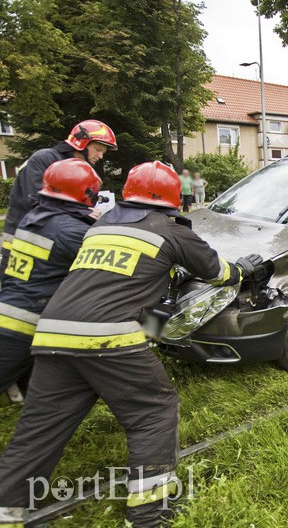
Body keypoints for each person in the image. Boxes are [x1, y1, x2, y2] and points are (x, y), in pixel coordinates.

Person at [0, 161, 263, 527]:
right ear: (174, 200)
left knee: (40, 426)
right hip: (107, 337)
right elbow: (217, 272)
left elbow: (128, 285)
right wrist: (244, 269)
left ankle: (7, 510)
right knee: (153, 410)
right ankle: (148, 513)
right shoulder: (173, 233)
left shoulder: (99, 227)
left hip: (51, 333)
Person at [0, 159, 101, 407]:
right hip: (26, 322)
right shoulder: (70, 230)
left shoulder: (34, 217)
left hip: (9, 309)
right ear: (87, 192)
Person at [1, 120, 116, 282]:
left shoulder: (80, 167)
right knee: (21, 293)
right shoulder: (44, 159)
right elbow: (37, 201)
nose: (101, 156)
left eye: (103, 152)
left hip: (55, 244)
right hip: (22, 242)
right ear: (81, 143)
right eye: (98, 149)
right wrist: (83, 213)